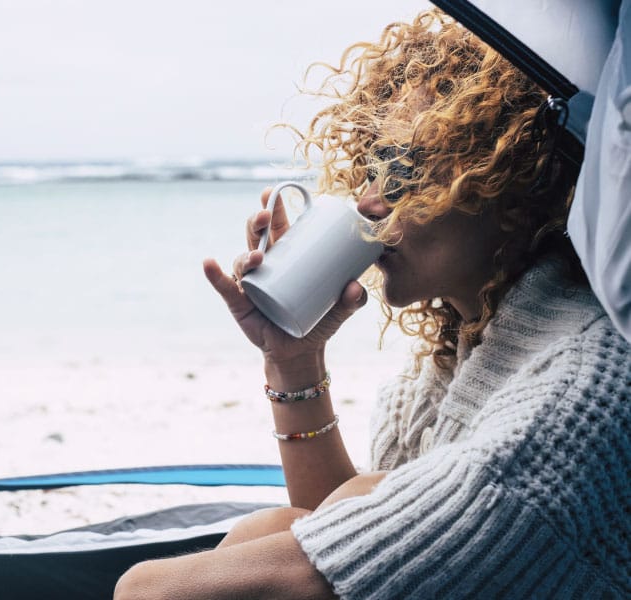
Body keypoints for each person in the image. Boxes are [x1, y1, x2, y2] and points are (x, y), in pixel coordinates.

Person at [114, 8, 630, 599]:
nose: (368, 202)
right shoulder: (456, 357)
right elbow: (351, 548)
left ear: (512, 188)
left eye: (403, 173)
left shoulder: (576, 390)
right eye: (370, 169)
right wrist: (293, 362)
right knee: (285, 525)